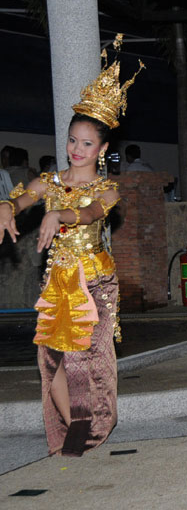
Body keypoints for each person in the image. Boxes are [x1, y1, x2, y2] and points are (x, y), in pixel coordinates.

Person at [0, 34, 142, 456]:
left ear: (102, 149)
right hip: (57, 282)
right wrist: (7, 206)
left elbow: (93, 213)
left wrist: (59, 215)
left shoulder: (107, 188)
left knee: (89, 360)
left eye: (87, 143)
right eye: (72, 140)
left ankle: (93, 426)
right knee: (50, 358)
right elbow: (22, 198)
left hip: (94, 283)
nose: (77, 149)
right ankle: (74, 425)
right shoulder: (50, 181)